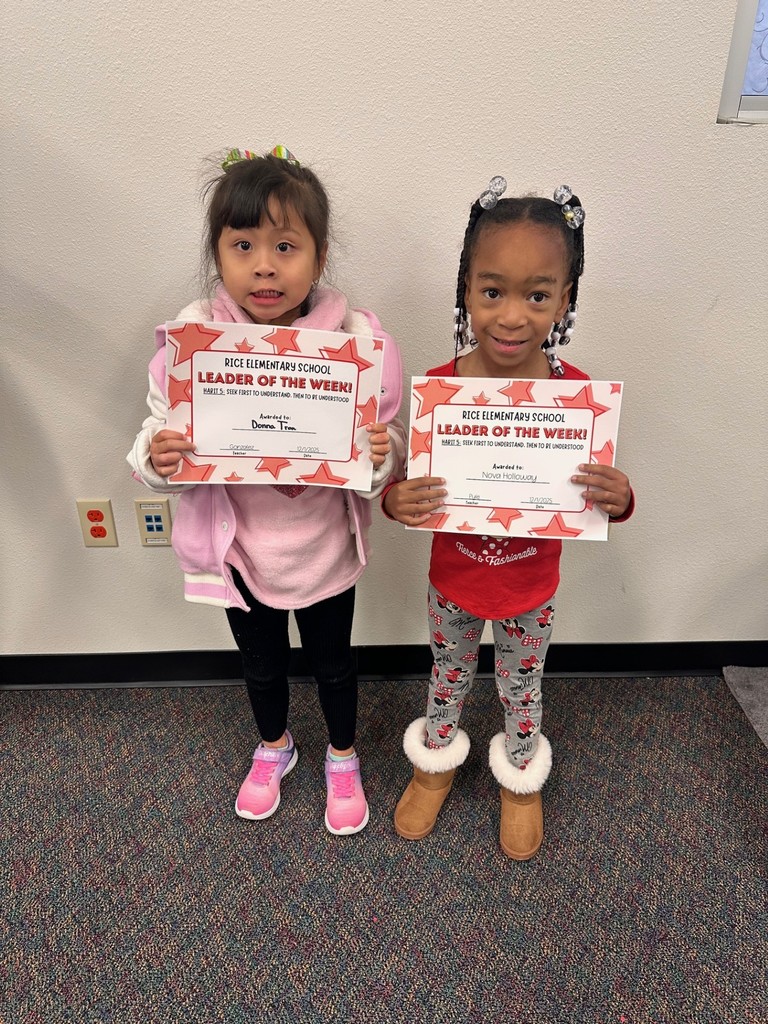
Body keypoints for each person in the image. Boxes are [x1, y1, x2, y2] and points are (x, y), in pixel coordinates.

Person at [128, 146, 405, 836]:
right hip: (240, 550)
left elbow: (382, 459)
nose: (264, 264)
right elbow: (156, 442)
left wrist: (380, 454)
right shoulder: (194, 345)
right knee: (261, 666)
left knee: (336, 665)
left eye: (286, 245)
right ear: (217, 252)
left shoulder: (354, 342)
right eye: (243, 244)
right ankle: (275, 746)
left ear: (318, 255)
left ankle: (343, 756)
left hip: (323, 550)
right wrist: (159, 456)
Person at [383, 178, 634, 860]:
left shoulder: (575, 400)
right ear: (465, 290)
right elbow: (409, 489)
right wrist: (395, 499)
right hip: (453, 585)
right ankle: (435, 760)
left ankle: (522, 777)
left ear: (565, 300)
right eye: (493, 291)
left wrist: (618, 495)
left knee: (523, 688)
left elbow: (598, 499)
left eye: (538, 294)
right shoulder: (443, 391)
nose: (513, 315)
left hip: (530, 591)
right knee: (448, 677)